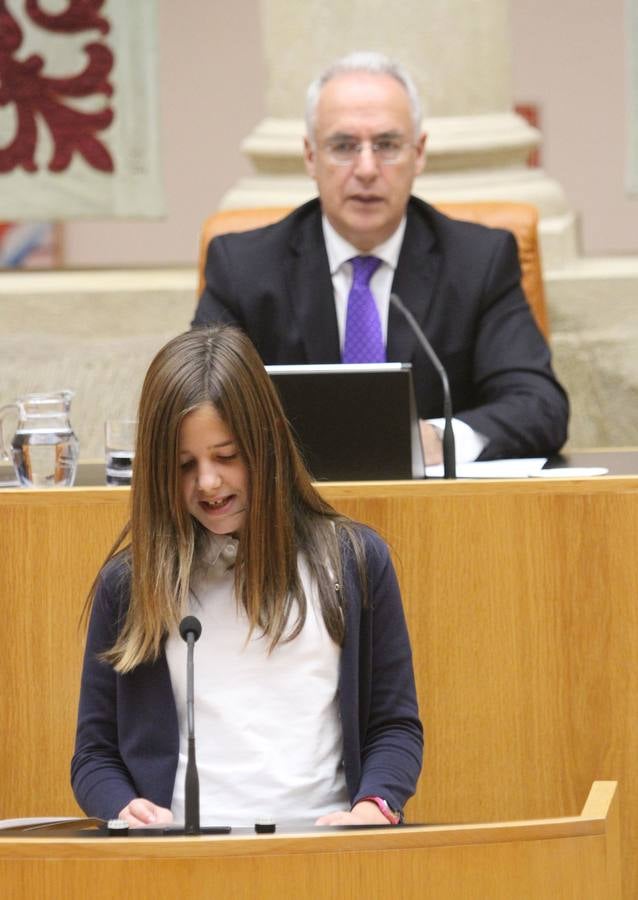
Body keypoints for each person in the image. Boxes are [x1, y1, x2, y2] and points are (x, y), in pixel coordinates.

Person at [71, 326, 423, 828]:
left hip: (326, 855)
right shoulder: (130, 585)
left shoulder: (355, 561)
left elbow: (394, 727)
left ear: (267, 443)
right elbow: (94, 755)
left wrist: (374, 806)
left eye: (227, 456)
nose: (208, 482)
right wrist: (121, 806)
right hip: (182, 864)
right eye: (184, 465)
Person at [192, 52, 569, 466]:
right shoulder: (243, 266)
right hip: (288, 517)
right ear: (310, 156)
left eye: (387, 145)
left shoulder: (478, 261)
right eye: (343, 146)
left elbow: (539, 405)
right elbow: (198, 403)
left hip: (439, 516)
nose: (367, 168)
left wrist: (439, 441)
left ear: (419, 153)